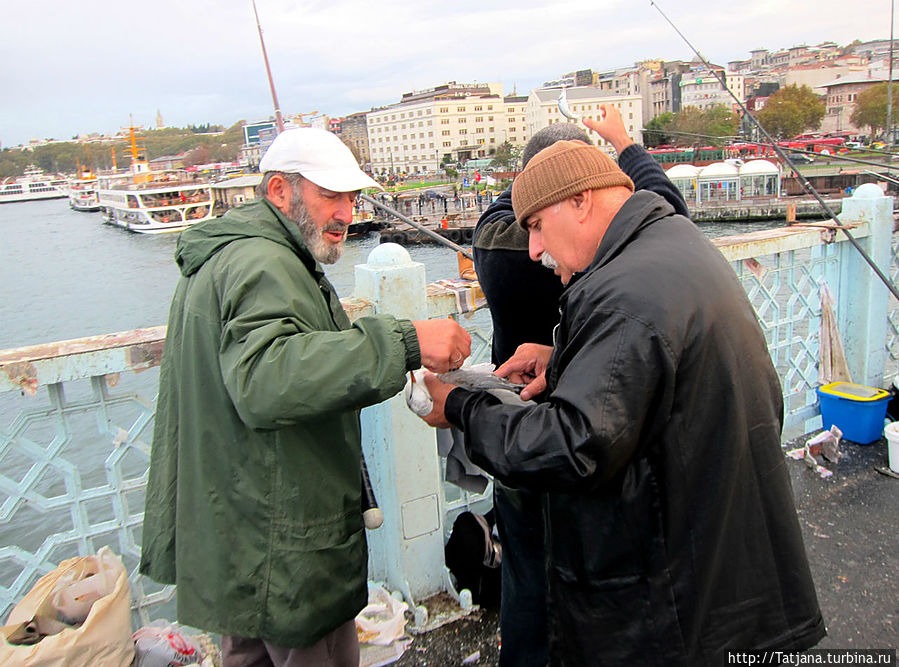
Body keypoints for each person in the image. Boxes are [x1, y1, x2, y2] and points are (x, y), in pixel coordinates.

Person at [422, 139, 825, 664]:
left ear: (582, 201)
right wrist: (563, 356)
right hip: (724, 541)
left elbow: (570, 448)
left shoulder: (623, 293)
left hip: (678, 593)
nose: (536, 250)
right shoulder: (672, 239)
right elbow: (654, 366)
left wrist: (457, 406)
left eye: (538, 225)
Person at [140, 127, 471, 667]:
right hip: (279, 540)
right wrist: (406, 340)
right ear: (279, 192)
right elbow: (268, 378)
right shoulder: (262, 264)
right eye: (330, 196)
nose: (347, 212)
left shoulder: (234, 254)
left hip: (239, 531)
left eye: (351, 197)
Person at [472, 106, 689, 667]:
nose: (542, 250)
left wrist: (524, 185)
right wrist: (623, 145)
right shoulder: (638, 251)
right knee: (594, 590)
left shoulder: (498, 246)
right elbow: (664, 204)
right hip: (607, 445)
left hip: (532, 434)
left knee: (527, 582)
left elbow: (503, 214)